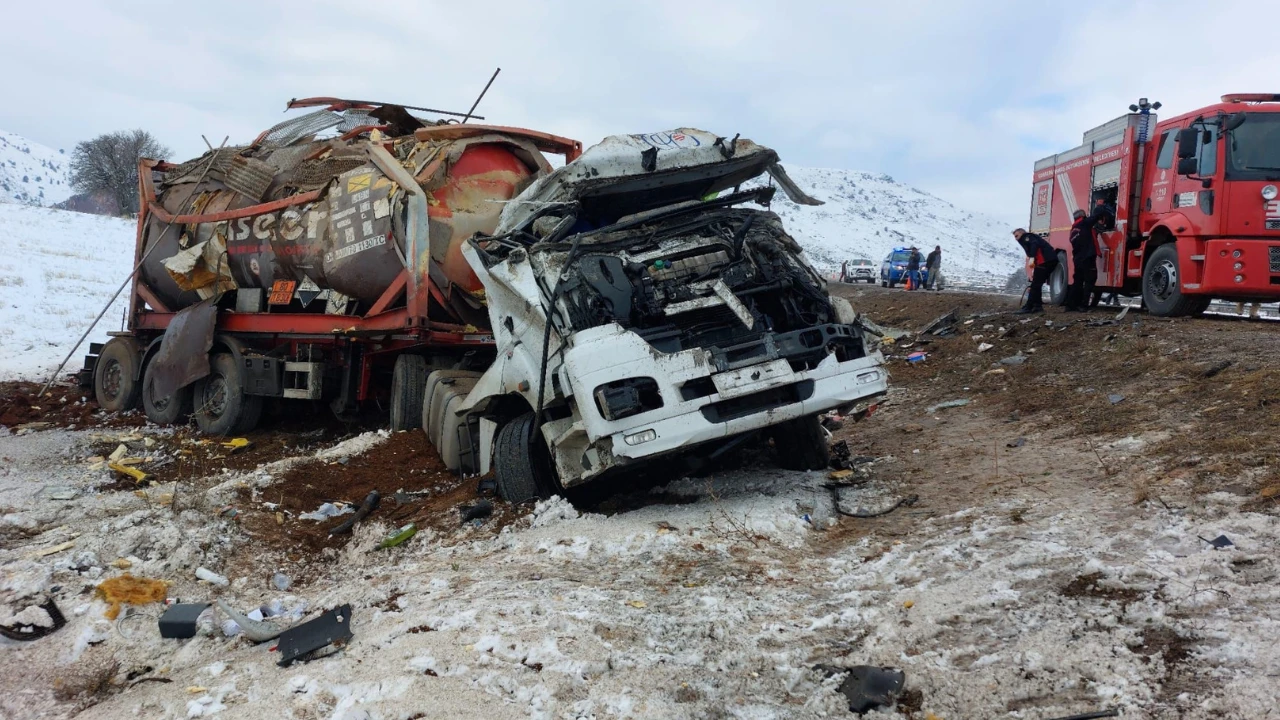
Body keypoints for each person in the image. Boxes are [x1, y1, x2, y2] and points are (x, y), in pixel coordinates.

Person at [1064, 202, 1114, 312]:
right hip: (1087, 258)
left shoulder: (1074, 229)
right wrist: (1101, 205)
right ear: (1083, 216)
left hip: (1078, 260)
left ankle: (1070, 305)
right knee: (1090, 281)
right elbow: (1096, 216)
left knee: (1077, 282)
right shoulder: (1084, 223)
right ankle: (1084, 305)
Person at [1012, 228, 1057, 314]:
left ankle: (1029, 306)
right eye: (1015, 237)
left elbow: (1034, 245)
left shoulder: (1026, 237)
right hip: (1049, 261)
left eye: (1017, 236)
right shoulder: (1031, 237)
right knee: (1037, 284)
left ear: (1022, 233)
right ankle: (1037, 306)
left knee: (1035, 284)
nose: (1016, 238)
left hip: (1044, 261)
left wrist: (1032, 257)